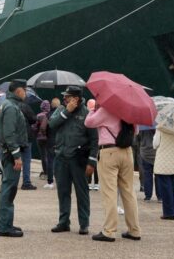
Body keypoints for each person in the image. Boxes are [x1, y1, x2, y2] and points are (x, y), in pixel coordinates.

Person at [84, 102, 141, 242]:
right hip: (127, 152)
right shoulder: (129, 110)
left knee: (109, 192)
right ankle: (134, 230)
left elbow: (89, 122)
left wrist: (93, 110)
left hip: (109, 151)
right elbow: (137, 131)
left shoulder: (106, 109)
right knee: (128, 191)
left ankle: (109, 231)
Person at [47, 86, 98, 235]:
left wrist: (92, 161)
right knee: (63, 192)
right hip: (61, 157)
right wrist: (66, 111)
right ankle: (64, 222)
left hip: (78, 159)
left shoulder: (87, 114)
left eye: (67, 97)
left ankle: (84, 224)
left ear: (76, 98)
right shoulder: (61, 110)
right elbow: (52, 124)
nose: (64, 99)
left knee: (82, 192)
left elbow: (94, 140)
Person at [0, 79, 29, 238]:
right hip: (11, 154)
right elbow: (9, 133)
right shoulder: (11, 107)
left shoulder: (7, 105)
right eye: (25, 89)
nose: (26, 93)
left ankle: (6, 223)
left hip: (7, 152)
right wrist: (16, 155)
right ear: (18, 91)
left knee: (8, 189)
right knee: (9, 190)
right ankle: (4, 227)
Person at [154, 125, 174, 220]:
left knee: (165, 188)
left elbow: (155, 144)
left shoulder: (160, 128)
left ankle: (168, 213)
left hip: (164, 161)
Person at [19, 100, 38, 190]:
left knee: (12, 159)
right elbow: (33, 119)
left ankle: (10, 181)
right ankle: (26, 182)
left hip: (13, 137)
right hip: (26, 136)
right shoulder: (25, 106)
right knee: (26, 161)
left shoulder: (8, 106)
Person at [137, 128, 159, 202]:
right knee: (158, 175)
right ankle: (160, 196)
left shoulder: (143, 126)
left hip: (145, 152)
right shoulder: (158, 126)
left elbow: (138, 137)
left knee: (147, 175)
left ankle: (148, 196)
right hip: (156, 153)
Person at [36, 100, 52, 180]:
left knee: (43, 156)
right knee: (50, 155)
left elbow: (34, 127)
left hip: (40, 138)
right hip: (49, 138)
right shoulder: (51, 115)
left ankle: (45, 172)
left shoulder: (39, 116)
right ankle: (50, 172)